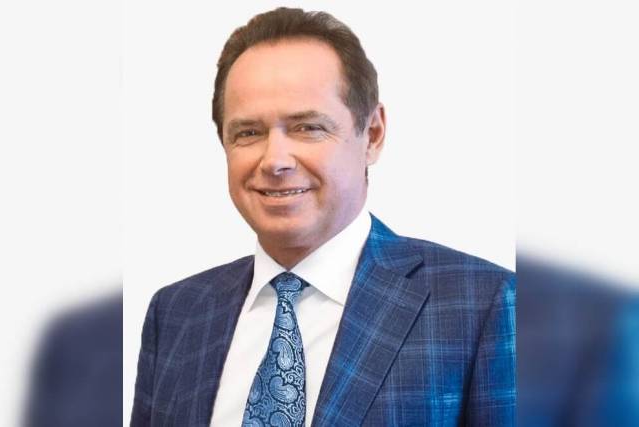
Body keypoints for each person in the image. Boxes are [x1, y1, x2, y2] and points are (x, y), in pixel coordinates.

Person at [131, 7, 515, 426]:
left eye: (308, 127)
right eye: (249, 133)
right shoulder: (177, 313)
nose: (275, 160)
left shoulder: (482, 304)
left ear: (372, 135)